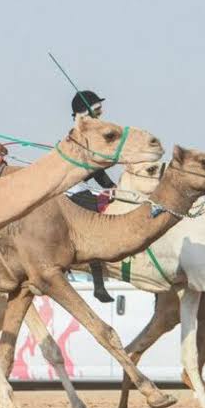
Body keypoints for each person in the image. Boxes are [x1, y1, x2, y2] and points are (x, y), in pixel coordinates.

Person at [68, 90, 117, 303]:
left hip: (81, 186)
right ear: (85, 113)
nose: (101, 113)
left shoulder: (89, 133)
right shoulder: (80, 135)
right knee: (96, 228)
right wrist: (110, 185)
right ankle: (99, 285)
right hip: (73, 189)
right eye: (97, 110)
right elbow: (94, 169)